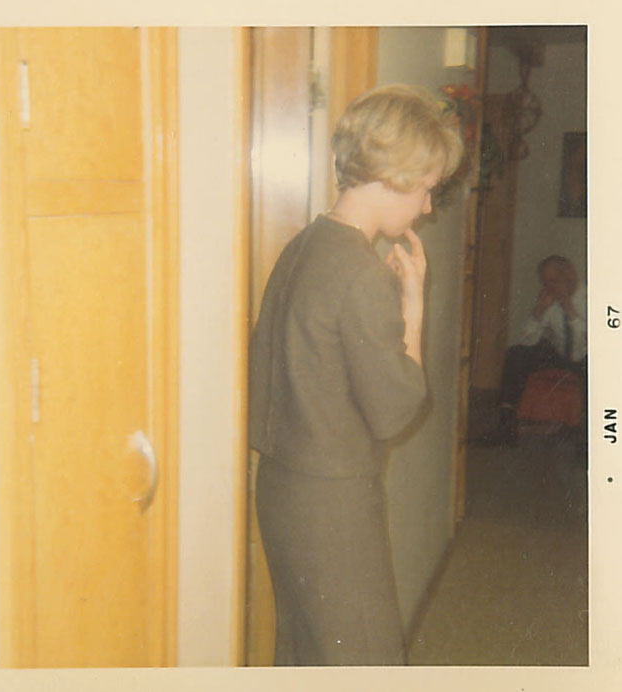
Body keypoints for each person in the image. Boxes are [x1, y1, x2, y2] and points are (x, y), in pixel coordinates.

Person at [248, 84, 463, 666]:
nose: (427, 207)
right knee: (364, 657)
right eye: (425, 188)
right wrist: (413, 308)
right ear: (393, 177)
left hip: (281, 487)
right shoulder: (361, 271)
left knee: (304, 648)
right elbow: (395, 410)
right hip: (331, 500)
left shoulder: (303, 245)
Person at [484, 255, 587, 446]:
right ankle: (506, 426)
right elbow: (527, 341)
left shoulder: (592, 295)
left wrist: (569, 310)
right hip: (560, 354)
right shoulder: (550, 300)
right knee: (516, 353)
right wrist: (538, 311)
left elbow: (592, 340)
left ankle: (590, 438)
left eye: (554, 280)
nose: (551, 287)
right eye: (546, 283)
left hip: (587, 355)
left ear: (570, 273)